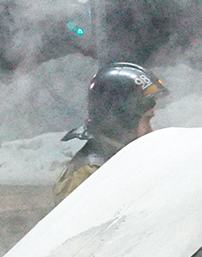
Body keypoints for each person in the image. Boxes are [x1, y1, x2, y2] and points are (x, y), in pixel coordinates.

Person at [55, 61, 166, 202]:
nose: (150, 131)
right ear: (123, 121)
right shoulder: (89, 176)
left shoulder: (117, 164)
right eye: (146, 121)